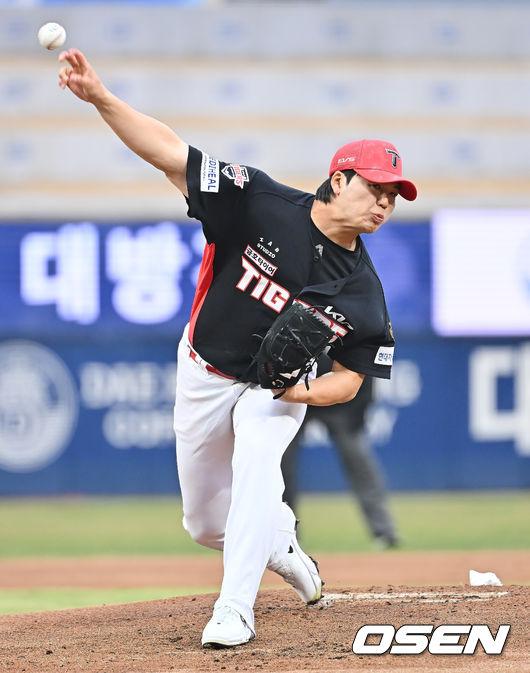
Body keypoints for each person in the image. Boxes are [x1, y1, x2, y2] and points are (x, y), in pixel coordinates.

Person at [58, 48, 417, 649]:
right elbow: (170, 154)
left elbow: (351, 378)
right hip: (203, 369)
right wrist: (100, 98)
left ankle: (234, 610)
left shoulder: (363, 292)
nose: (385, 202)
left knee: (256, 463)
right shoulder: (261, 203)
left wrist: (301, 391)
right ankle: (279, 542)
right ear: (338, 180)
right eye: (376, 187)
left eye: (394, 195)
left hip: (272, 390)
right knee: (203, 524)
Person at [282, 359, 399, 548]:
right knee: (281, 466)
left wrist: (358, 412)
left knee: (359, 461)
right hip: (297, 398)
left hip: (342, 404)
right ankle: (284, 534)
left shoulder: (351, 337)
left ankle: (385, 532)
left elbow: (365, 364)